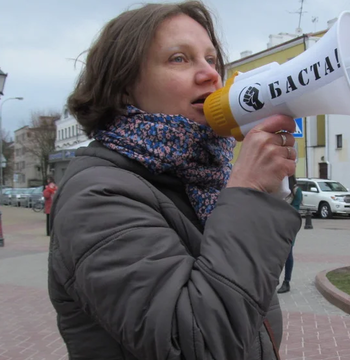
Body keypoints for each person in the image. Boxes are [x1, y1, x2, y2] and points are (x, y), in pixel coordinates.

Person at [47, 2, 301, 359]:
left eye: (211, 59)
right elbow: (198, 344)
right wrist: (250, 194)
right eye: (179, 59)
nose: (211, 75)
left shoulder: (202, 177)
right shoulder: (97, 197)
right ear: (123, 88)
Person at [278, 176, 303, 294]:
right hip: (277, 224)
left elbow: (295, 209)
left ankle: (286, 281)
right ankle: (274, 279)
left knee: (288, 253)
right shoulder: (278, 189)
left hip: (289, 225)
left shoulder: (296, 191)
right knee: (276, 253)